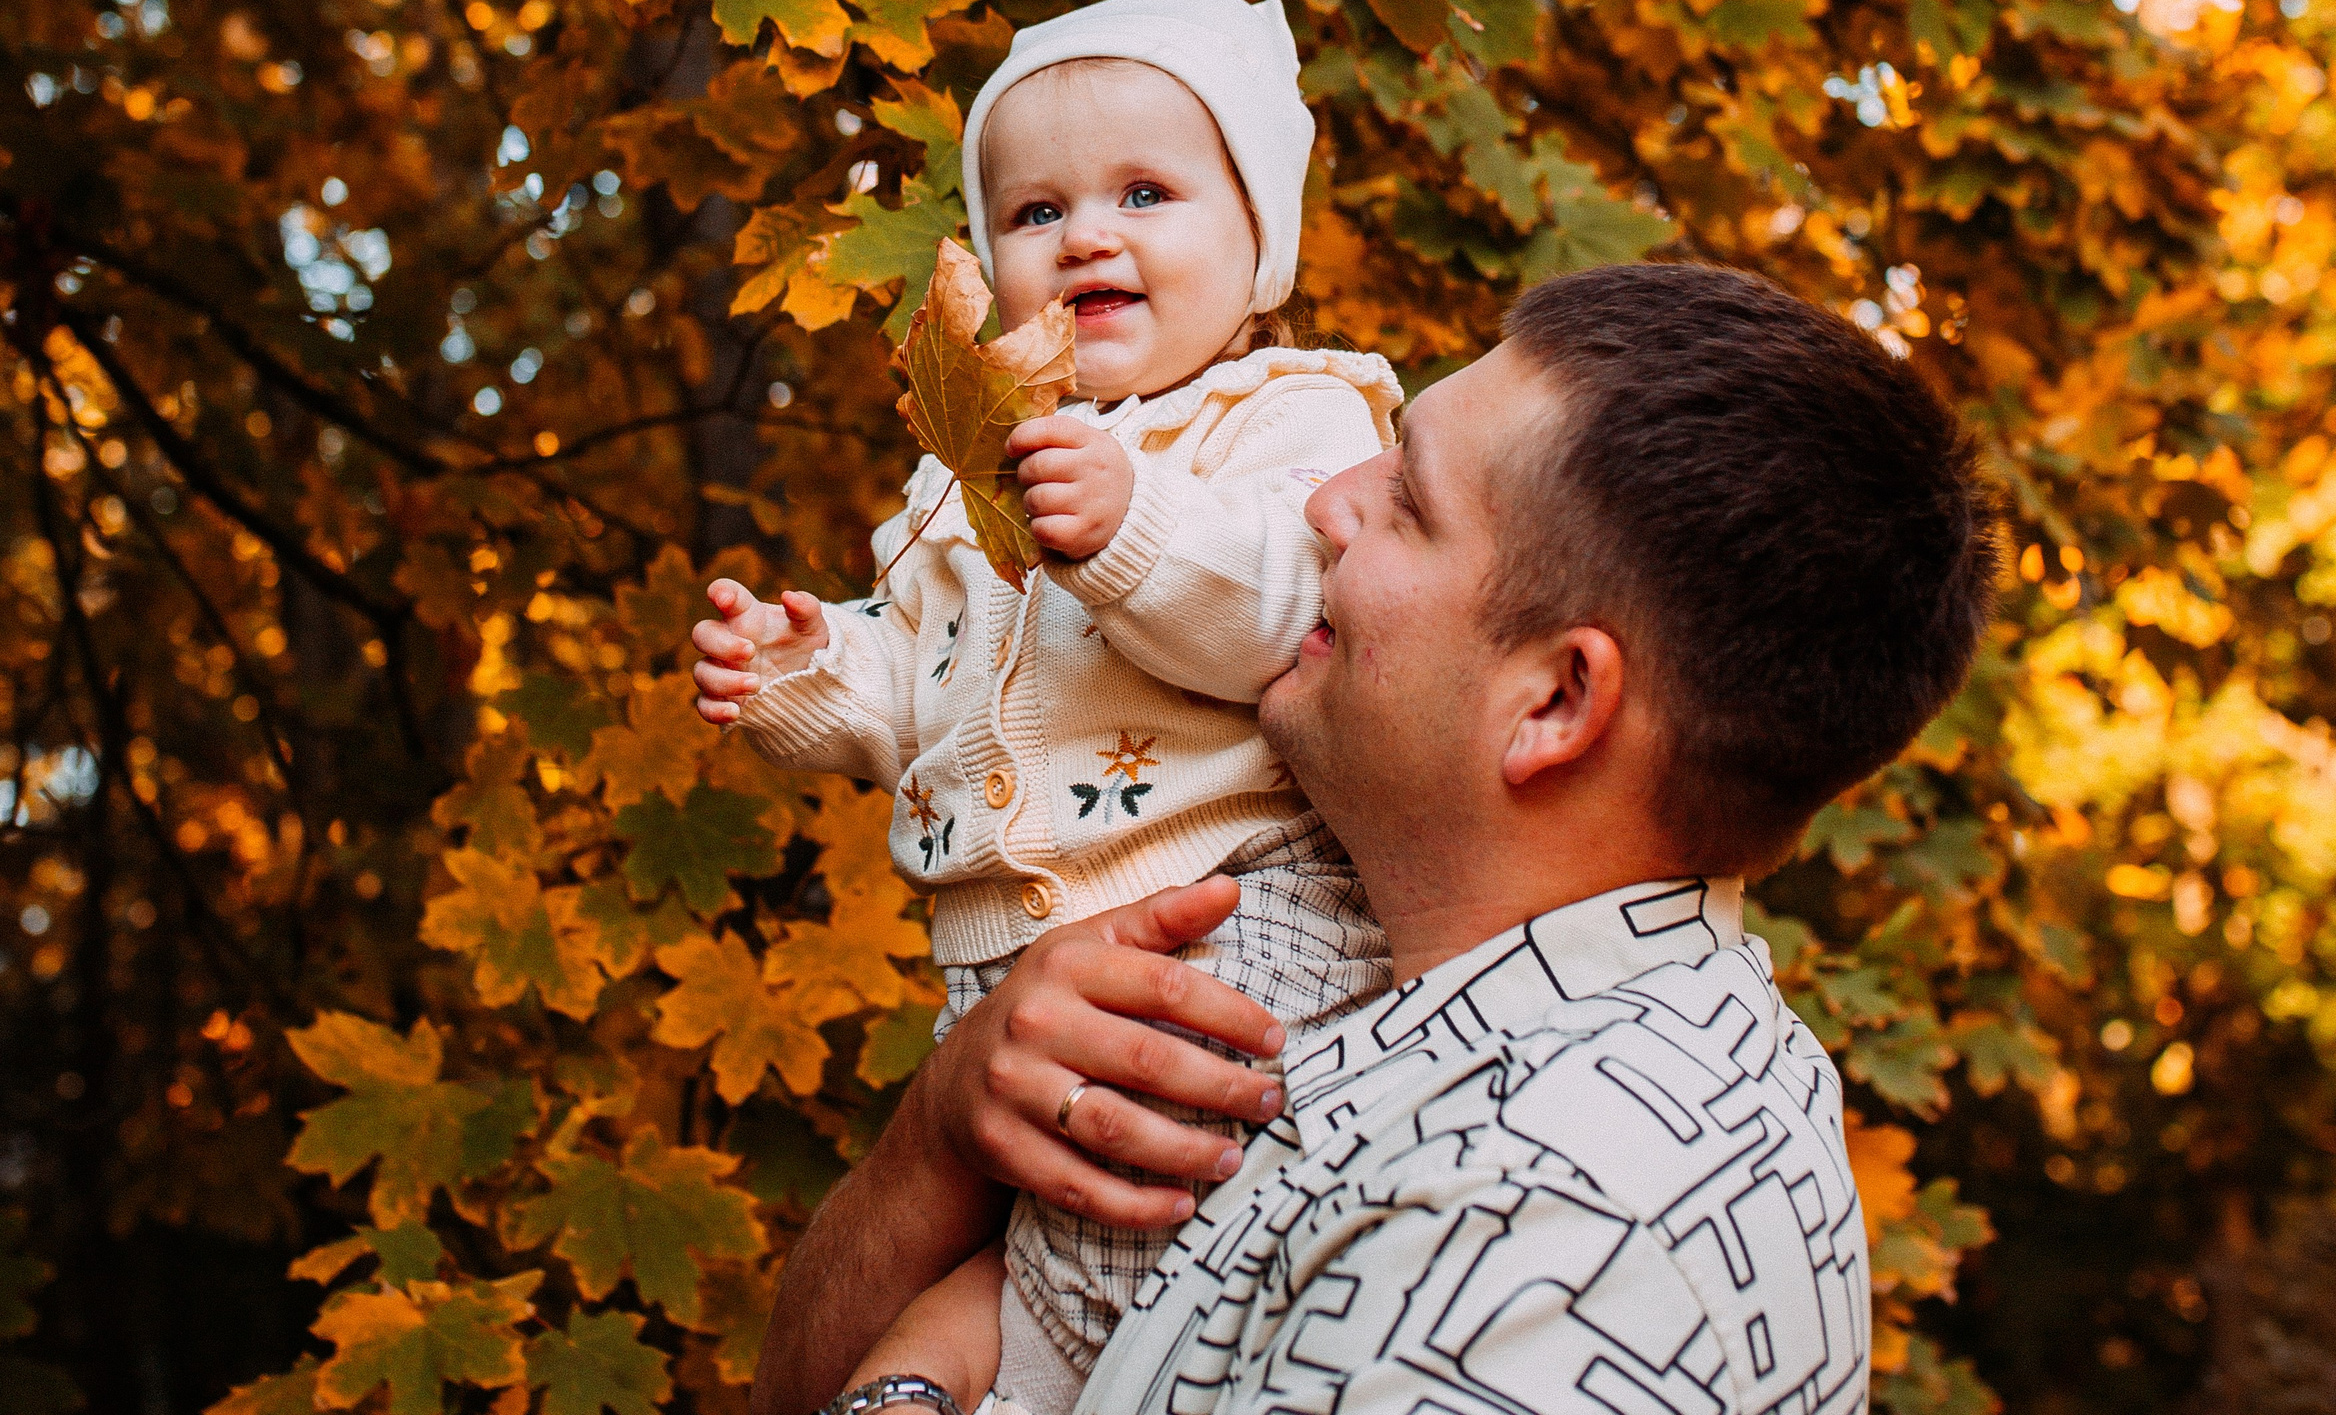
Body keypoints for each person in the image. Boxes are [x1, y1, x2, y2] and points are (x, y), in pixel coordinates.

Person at [756, 261, 2000, 1415]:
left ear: (1556, 704)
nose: (1324, 502)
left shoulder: (1561, 1240)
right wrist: (941, 1135)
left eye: (1406, 500)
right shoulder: (1338, 993)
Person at [692, 0, 1404, 1413]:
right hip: (995, 967)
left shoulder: (1291, 417)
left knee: (1142, 1244)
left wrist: (1135, 522)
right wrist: (805, 672)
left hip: (1229, 916)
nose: (1086, 235)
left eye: (1147, 192)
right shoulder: (963, 472)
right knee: (1036, 1251)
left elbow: (1293, 612)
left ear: (1258, 244)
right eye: (1033, 211)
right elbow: (911, 692)